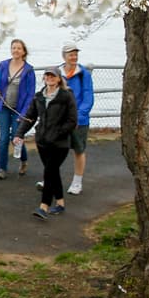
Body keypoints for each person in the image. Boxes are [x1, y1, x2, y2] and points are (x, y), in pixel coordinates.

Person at [14, 69, 79, 220]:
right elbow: (30, 117)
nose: (49, 78)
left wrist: (58, 133)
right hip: (43, 142)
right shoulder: (39, 97)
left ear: (58, 79)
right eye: (47, 75)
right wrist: (19, 133)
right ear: (44, 78)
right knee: (53, 172)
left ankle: (44, 206)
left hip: (60, 143)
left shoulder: (66, 96)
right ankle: (61, 203)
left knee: (49, 172)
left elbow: (72, 120)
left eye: (53, 76)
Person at [0, 39, 36, 179]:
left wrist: (24, 113)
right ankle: (2, 168)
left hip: (19, 109)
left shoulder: (29, 70)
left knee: (16, 137)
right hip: (3, 107)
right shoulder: (3, 66)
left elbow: (31, 94)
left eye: (19, 48)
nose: (16, 50)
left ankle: (23, 160)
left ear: (24, 51)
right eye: (13, 48)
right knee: (3, 138)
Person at [60, 42, 94, 195]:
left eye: (75, 54)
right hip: (60, 119)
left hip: (79, 120)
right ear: (64, 56)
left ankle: (77, 182)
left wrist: (78, 117)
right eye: (70, 54)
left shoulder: (83, 74)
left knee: (78, 150)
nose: (73, 57)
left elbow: (88, 97)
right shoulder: (58, 72)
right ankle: (50, 178)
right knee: (56, 149)